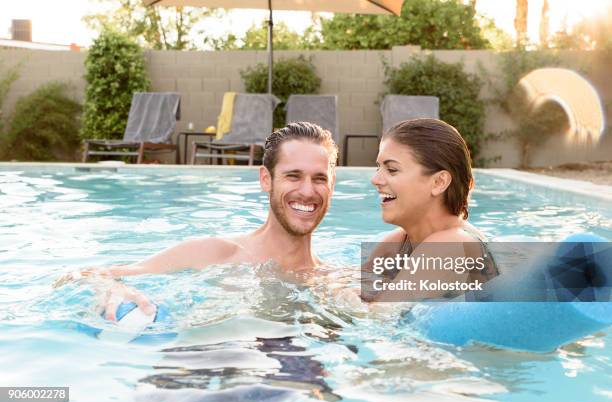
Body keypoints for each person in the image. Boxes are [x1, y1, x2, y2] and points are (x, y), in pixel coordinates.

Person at [54, 122, 338, 320]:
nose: (307, 191)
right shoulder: (216, 252)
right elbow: (76, 277)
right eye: (293, 176)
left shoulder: (335, 283)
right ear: (266, 179)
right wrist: (110, 288)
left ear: (332, 185)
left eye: (319, 178)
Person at [364, 118, 498, 301]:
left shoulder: (451, 245)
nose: (375, 179)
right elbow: (357, 286)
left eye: (392, 169)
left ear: (438, 182)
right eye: (378, 167)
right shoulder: (398, 243)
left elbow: (377, 316)